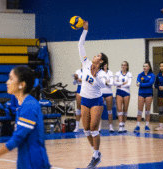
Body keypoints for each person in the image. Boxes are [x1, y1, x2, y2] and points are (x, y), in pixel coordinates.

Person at [0, 66, 51, 168]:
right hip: (25, 162)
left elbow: (16, 140)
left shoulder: (29, 106)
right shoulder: (23, 104)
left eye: (11, 79)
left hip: (34, 163)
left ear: (22, 85)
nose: (7, 82)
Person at [78, 21, 108, 168]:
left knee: (94, 127)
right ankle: (96, 153)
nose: (94, 56)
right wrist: (85, 31)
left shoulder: (102, 73)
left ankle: (95, 155)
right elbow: (80, 46)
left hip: (96, 100)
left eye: (97, 56)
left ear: (101, 61)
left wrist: (95, 76)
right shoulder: (85, 64)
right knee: (86, 130)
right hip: (85, 99)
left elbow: (103, 86)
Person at [134, 62, 155, 132]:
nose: (145, 67)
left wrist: (141, 84)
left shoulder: (152, 75)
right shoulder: (140, 75)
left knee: (147, 111)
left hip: (149, 94)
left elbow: (150, 83)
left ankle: (147, 125)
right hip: (141, 93)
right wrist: (142, 84)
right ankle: (137, 126)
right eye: (144, 66)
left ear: (149, 67)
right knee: (139, 110)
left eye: (146, 66)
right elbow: (137, 83)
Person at [114, 61, 132, 133]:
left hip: (126, 93)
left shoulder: (129, 74)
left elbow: (129, 84)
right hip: (119, 92)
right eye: (122, 65)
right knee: (119, 108)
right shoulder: (117, 73)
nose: (123, 66)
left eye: (125, 65)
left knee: (125, 109)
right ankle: (120, 125)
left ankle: (123, 125)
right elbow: (115, 83)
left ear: (127, 66)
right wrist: (123, 83)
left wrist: (120, 84)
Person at [101, 63, 114, 132]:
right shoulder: (99, 72)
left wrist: (106, 83)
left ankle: (111, 126)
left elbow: (112, 83)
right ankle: (98, 127)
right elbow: (100, 82)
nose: (104, 66)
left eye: (106, 65)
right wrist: (106, 82)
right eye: (103, 65)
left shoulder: (110, 72)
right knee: (99, 110)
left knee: (109, 110)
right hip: (101, 93)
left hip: (109, 92)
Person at [72, 66, 83, 132]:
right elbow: (74, 83)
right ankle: (77, 126)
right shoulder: (78, 71)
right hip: (79, 89)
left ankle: (87, 126)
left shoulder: (88, 71)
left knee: (86, 108)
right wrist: (75, 79)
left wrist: (82, 80)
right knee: (78, 108)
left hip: (86, 89)